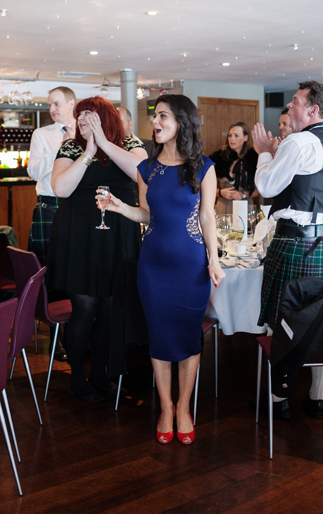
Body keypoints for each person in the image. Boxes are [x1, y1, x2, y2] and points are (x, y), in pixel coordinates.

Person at [101, 95, 223, 445]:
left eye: (163, 116)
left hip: (191, 265)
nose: (155, 122)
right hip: (153, 267)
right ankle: (166, 407)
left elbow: (207, 217)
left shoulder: (204, 167)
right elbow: (148, 215)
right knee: (159, 336)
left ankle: (184, 406)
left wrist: (213, 260)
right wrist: (120, 207)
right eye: (154, 117)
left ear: (182, 122)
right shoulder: (146, 169)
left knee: (187, 336)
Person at [252, 80, 323, 419]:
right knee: (320, 319)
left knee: (281, 320)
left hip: (292, 242)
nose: (289, 108)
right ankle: (317, 396)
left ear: (312, 110)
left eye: (294, 102)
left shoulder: (298, 141)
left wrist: (265, 152)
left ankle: (279, 399)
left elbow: (266, 186)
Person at [49, 97, 147, 402]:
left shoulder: (129, 142)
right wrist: (89, 153)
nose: (82, 122)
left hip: (117, 232)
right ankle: (78, 378)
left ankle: (100, 374)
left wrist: (103, 141)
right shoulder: (71, 146)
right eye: (79, 117)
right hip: (78, 235)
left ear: (105, 118)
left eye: (88, 116)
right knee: (85, 308)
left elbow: (140, 171)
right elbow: (61, 187)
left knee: (109, 307)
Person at [27, 86, 77, 361]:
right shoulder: (42, 135)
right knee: (50, 273)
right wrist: (59, 150)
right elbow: (33, 170)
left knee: (75, 271)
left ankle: (76, 334)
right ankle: (55, 336)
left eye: (57, 104)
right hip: (48, 206)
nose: (52, 109)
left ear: (71, 103)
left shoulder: (85, 132)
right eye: (49, 105)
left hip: (76, 208)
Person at [211, 122, 259, 205]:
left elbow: (259, 190)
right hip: (223, 206)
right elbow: (207, 188)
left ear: (246, 137)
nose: (232, 139)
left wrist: (243, 194)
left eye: (236, 135)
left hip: (245, 206)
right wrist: (220, 192)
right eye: (230, 135)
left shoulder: (254, 158)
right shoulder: (218, 158)